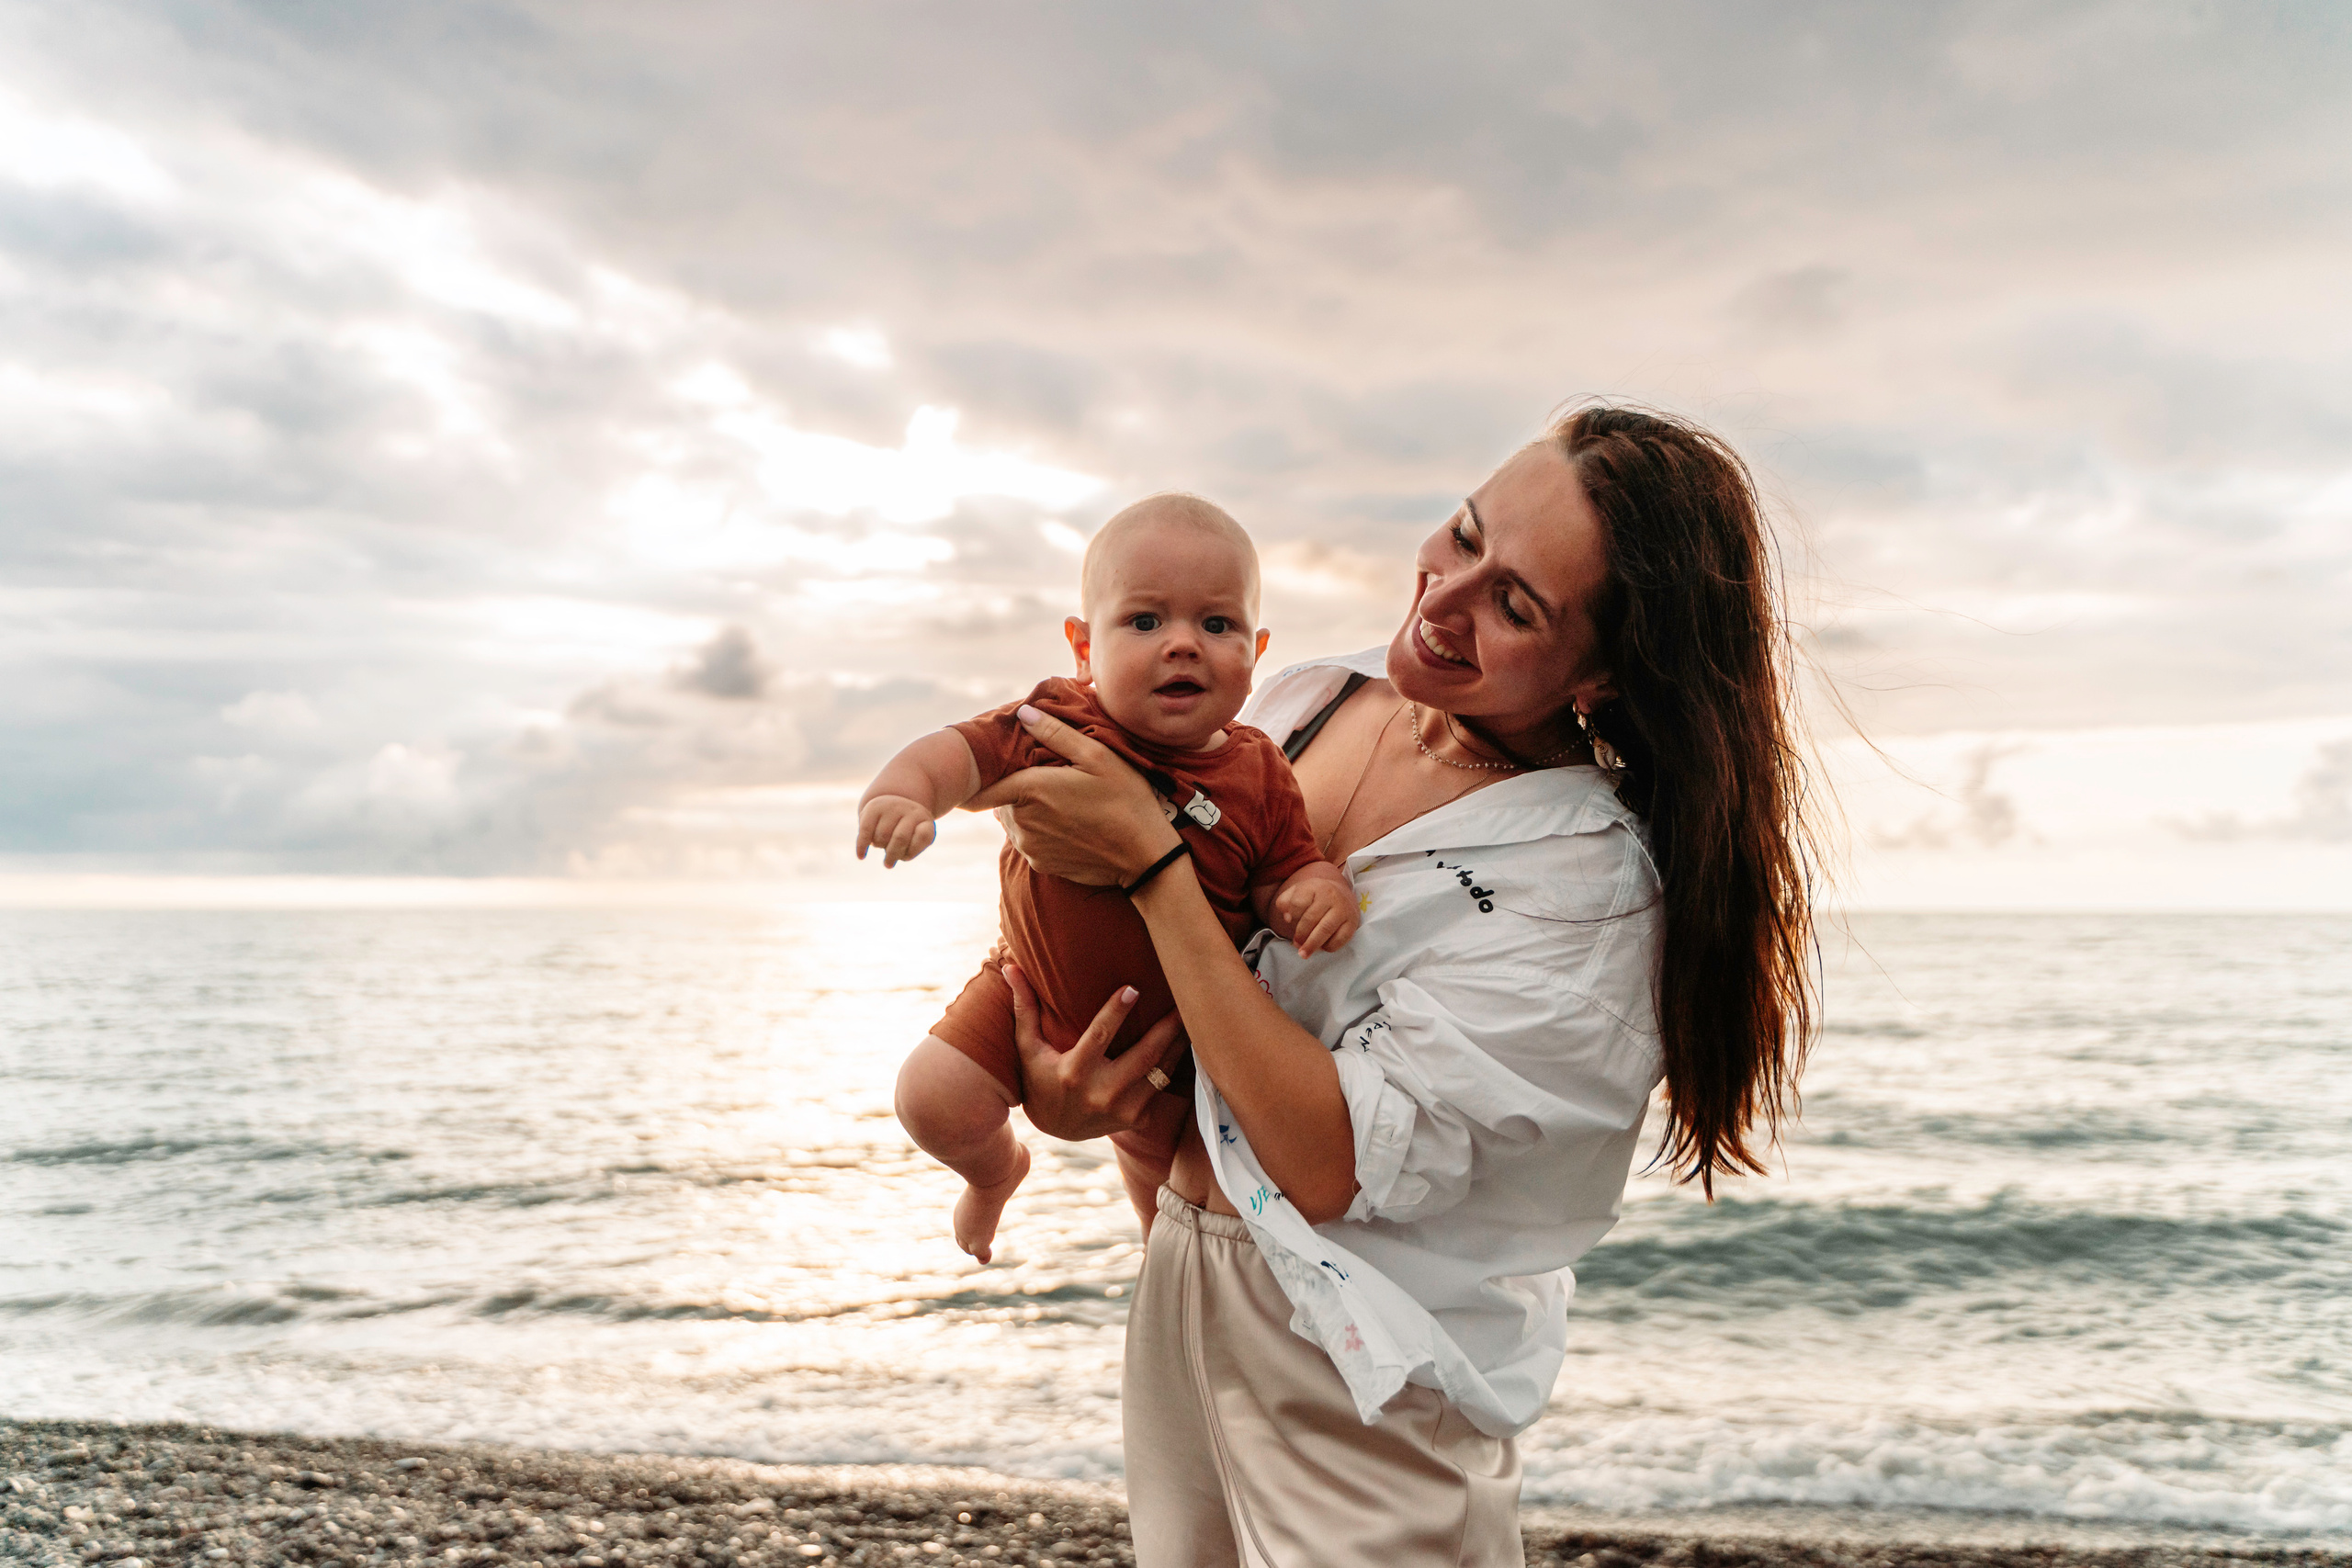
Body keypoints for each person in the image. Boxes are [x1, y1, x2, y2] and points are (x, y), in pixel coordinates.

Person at [971, 405, 1816, 1567]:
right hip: (1185, 1285)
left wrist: (1153, 864)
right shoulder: (1305, 701)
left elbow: (1323, 1162)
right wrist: (1074, 1097)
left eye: (1515, 604)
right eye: (1462, 537)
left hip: (1356, 1377)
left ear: (1609, 669)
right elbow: (1148, 991)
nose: (1444, 597)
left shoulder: (1583, 889)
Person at [857, 493, 1361, 1263]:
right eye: (1147, 621)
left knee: (1174, 1226)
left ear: (1256, 651)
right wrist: (903, 794)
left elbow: (1282, 867)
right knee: (930, 1099)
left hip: (1184, 1037)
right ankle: (996, 1173)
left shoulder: (1258, 768)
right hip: (1030, 989)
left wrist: (1313, 892)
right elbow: (956, 751)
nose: (1184, 644)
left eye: (1217, 625)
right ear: (1084, 645)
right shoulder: (1056, 720)